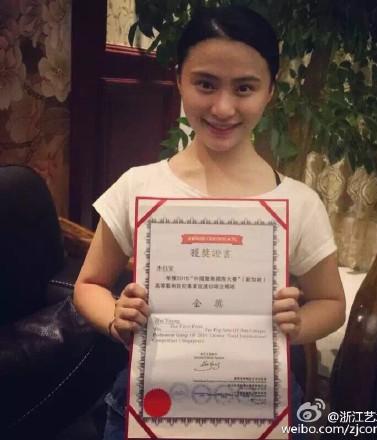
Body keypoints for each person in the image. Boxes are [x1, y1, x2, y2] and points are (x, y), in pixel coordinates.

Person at [74, 5, 345, 439]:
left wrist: (297, 325)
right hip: (151, 403)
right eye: (205, 84)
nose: (223, 107)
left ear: (270, 90)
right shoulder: (138, 186)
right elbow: (88, 284)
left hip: (260, 407)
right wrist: (115, 317)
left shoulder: (298, 203)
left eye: (244, 88)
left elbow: (331, 303)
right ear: (179, 78)